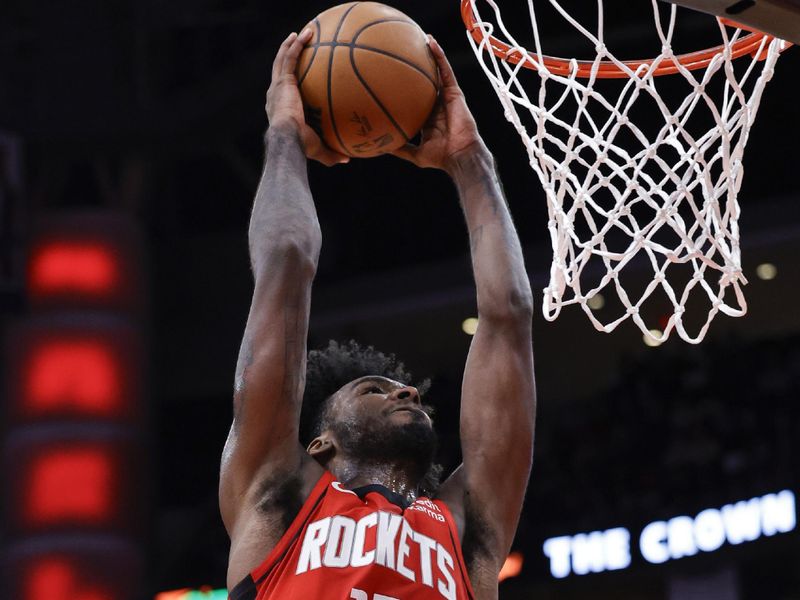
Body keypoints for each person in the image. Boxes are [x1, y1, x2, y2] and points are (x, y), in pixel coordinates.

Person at [219, 28, 536, 600]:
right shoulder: (278, 495)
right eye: (376, 389)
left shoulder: (468, 532)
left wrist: (470, 159)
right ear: (318, 444)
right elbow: (286, 262)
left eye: (404, 390)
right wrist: (285, 133)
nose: (409, 394)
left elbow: (508, 314)